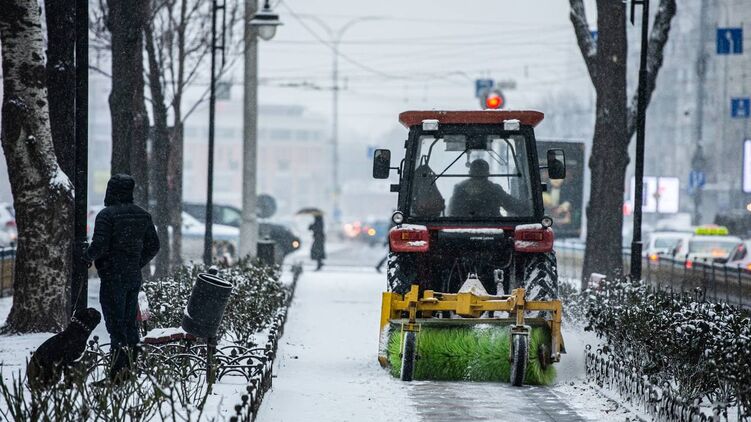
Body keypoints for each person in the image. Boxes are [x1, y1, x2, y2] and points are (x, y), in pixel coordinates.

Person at [85, 174, 160, 382]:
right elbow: (154, 245)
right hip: (133, 277)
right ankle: (131, 368)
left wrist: (86, 257)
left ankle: (118, 373)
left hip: (112, 277)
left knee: (116, 326)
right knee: (129, 324)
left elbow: (99, 245)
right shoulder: (143, 215)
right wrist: (136, 263)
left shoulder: (106, 215)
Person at [448, 159, 528, 217]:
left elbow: (512, 204)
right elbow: (452, 215)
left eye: (481, 176)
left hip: (494, 227)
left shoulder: (495, 190)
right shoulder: (459, 190)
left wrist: (527, 210)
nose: (478, 180)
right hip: (468, 227)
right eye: (476, 175)